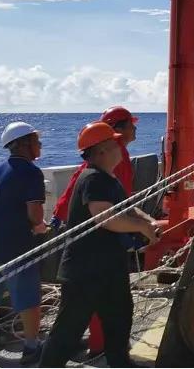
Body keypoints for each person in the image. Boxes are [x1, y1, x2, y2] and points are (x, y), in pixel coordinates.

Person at [40, 122, 159, 368]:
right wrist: (141, 227)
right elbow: (105, 217)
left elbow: (126, 208)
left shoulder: (108, 179)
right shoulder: (93, 179)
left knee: (119, 320)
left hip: (108, 269)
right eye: (115, 143)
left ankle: (120, 363)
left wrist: (148, 221)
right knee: (68, 331)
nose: (120, 147)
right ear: (102, 150)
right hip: (86, 272)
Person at [49, 106, 139, 355]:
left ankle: (112, 353)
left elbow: (120, 203)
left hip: (101, 244)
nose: (135, 129)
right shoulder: (102, 169)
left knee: (109, 306)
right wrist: (137, 227)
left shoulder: (107, 164)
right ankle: (98, 347)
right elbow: (110, 211)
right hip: (93, 245)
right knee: (89, 305)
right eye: (131, 124)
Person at [0, 122, 46, 365]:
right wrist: (41, 225)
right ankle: (32, 346)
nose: (40, 145)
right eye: (36, 141)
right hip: (17, 247)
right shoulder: (31, 172)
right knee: (28, 297)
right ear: (24, 144)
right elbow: (35, 215)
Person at [51, 105, 138, 225]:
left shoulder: (106, 156)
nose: (135, 127)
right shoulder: (116, 156)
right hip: (74, 222)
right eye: (130, 124)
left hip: (68, 217)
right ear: (118, 129)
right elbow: (118, 201)